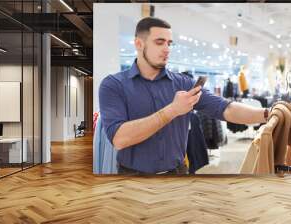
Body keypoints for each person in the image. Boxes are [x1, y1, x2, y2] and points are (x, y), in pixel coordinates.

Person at [99, 17, 270, 175]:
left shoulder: (183, 83)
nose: (167, 49)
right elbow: (119, 139)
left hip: (178, 173)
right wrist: (172, 110)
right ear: (139, 44)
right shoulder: (113, 85)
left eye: (169, 43)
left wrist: (267, 114)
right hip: (132, 178)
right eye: (159, 42)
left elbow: (225, 109)